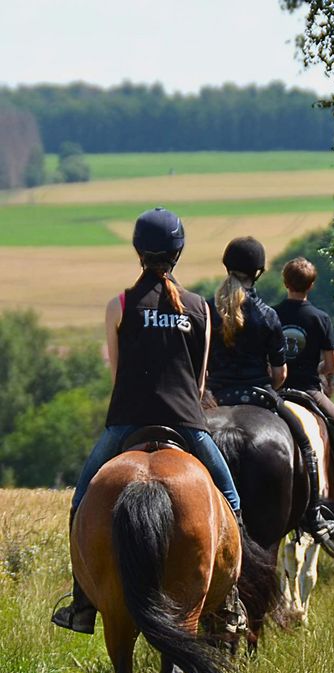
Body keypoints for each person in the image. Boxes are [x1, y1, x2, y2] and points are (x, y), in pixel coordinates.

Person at [52, 207, 244, 634]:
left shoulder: (119, 305)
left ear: (138, 250)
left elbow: (117, 375)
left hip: (127, 421)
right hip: (187, 423)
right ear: (178, 252)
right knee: (231, 502)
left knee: (81, 502)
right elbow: (199, 383)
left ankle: (82, 603)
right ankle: (230, 599)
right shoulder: (199, 308)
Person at [207, 236, 334, 541]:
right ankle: (314, 514)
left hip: (215, 397)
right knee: (305, 445)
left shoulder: (208, 311)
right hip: (260, 395)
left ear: (227, 267)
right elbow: (279, 374)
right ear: (259, 273)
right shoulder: (267, 315)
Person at [274, 256, 334, 503]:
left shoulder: (272, 315)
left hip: (275, 390)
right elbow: (331, 365)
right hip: (309, 390)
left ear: (285, 283)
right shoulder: (320, 318)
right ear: (311, 285)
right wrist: (317, 370)